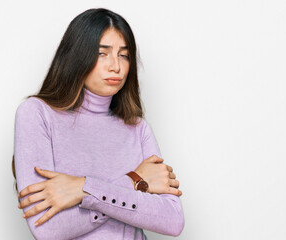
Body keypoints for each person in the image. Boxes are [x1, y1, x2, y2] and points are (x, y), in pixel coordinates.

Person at [12, 8, 184, 240]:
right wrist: (135, 181)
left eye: (124, 55)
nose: (116, 66)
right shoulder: (37, 114)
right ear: (77, 55)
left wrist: (81, 189)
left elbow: (173, 221)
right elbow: (48, 229)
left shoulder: (138, 128)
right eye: (102, 54)